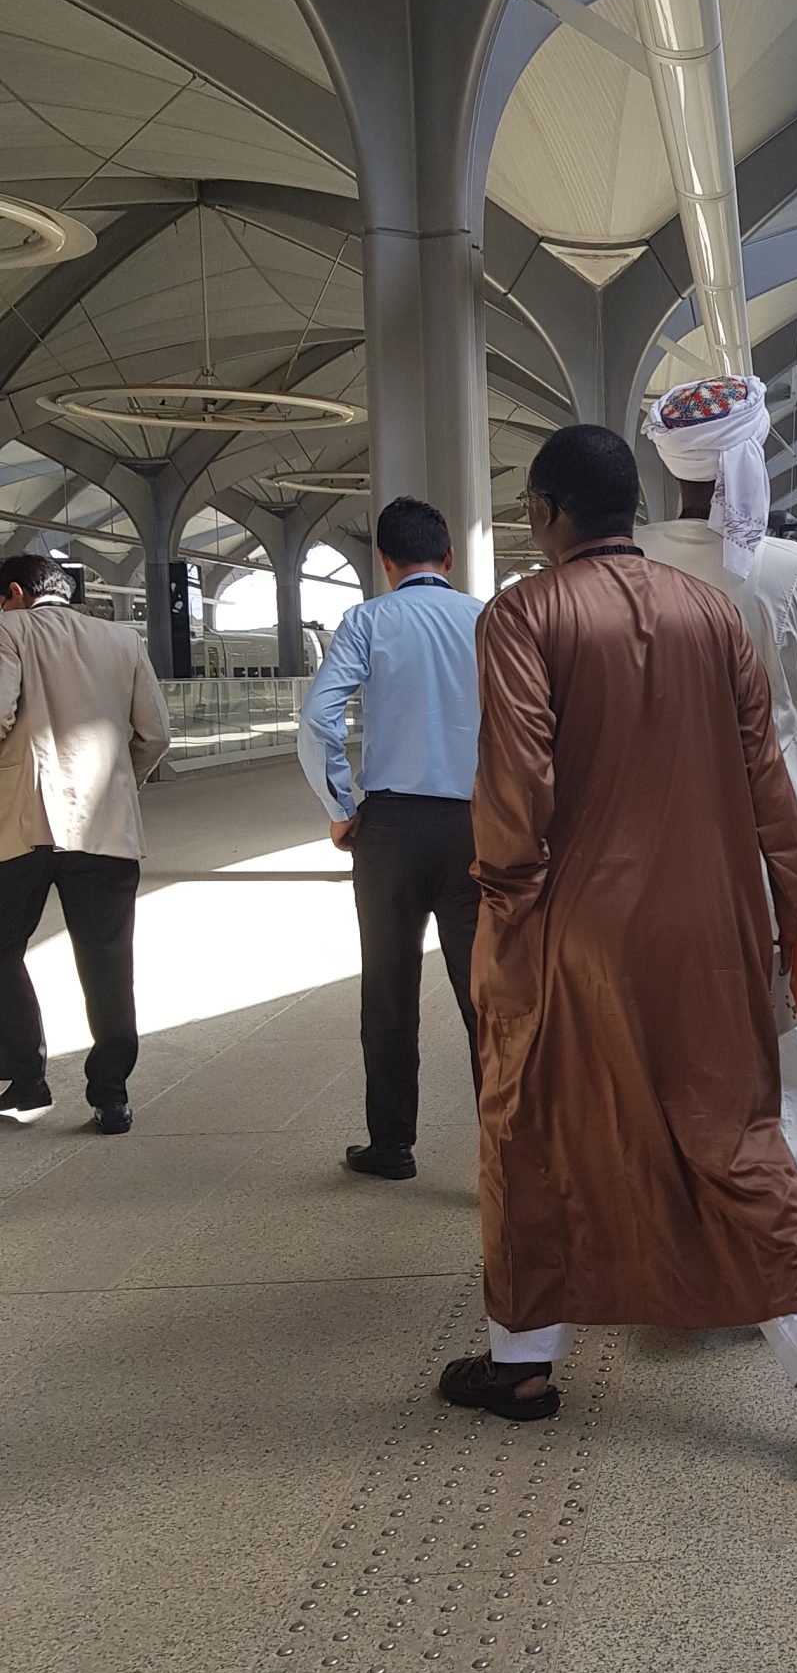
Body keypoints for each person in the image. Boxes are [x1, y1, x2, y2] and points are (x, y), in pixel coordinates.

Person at [440, 422, 797, 1444]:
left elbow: (517, 788)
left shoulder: (523, 616)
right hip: (713, 923)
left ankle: (523, 1366)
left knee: (530, 1123)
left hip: (575, 927)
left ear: (543, 513)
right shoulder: (711, 612)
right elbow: (770, 782)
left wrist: (506, 911)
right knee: (737, 1128)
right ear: (629, 505)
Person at [643, 373, 797, 1184]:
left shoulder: (627, 564)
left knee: (671, 1007)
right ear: (750, 458)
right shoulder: (788, 572)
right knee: (796, 1014)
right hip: (773, 841)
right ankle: (784, 1191)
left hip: (653, 836)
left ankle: (684, 1174)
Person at [298, 496, 482, 1181]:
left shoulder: (367, 620)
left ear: (384, 562)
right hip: (476, 828)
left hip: (392, 830)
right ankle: (506, 1153)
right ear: (450, 557)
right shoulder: (488, 618)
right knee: (488, 994)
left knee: (388, 988)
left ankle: (392, 1145)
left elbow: (318, 719)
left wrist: (339, 805)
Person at [0, 552, 170, 1131]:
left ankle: (25, 1076)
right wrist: (120, 785)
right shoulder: (124, 640)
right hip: (105, 829)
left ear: (14, 593)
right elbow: (155, 735)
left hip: (23, 826)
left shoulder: (8, 629)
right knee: (107, 960)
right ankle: (111, 1095)